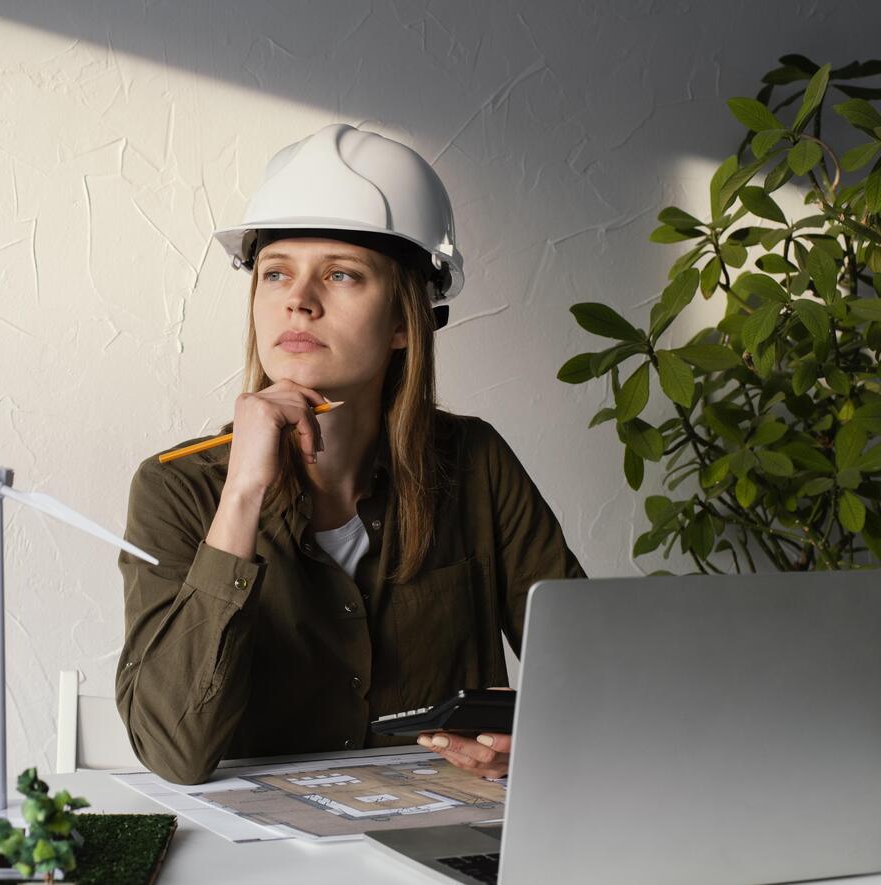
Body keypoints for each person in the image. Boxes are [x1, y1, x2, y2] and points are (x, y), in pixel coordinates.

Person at [115, 123, 585, 785]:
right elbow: (174, 752)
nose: (298, 301)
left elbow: (589, 675)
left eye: (340, 274)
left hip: (444, 838)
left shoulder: (476, 463)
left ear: (403, 321)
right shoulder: (177, 488)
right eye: (276, 272)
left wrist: (531, 730)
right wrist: (243, 493)